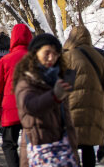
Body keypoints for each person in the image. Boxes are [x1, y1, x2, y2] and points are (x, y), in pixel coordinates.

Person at [14, 33, 78, 167]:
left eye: (55, 54)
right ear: (35, 53)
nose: (51, 58)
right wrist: (54, 95)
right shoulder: (27, 80)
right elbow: (29, 106)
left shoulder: (57, 79)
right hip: (39, 149)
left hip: (62, 151)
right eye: (47, 53)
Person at [64, 26, 104, 167]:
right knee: (88, 147)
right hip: (96, 110)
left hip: (74, 108)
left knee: (72, 146)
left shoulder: (68, 56)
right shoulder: (101, 59)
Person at [0, 23, 32, 167]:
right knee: (30, 144)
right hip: (31, 108)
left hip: (10, 108)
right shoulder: (35, 59)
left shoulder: (5, 60)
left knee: (9, 143)